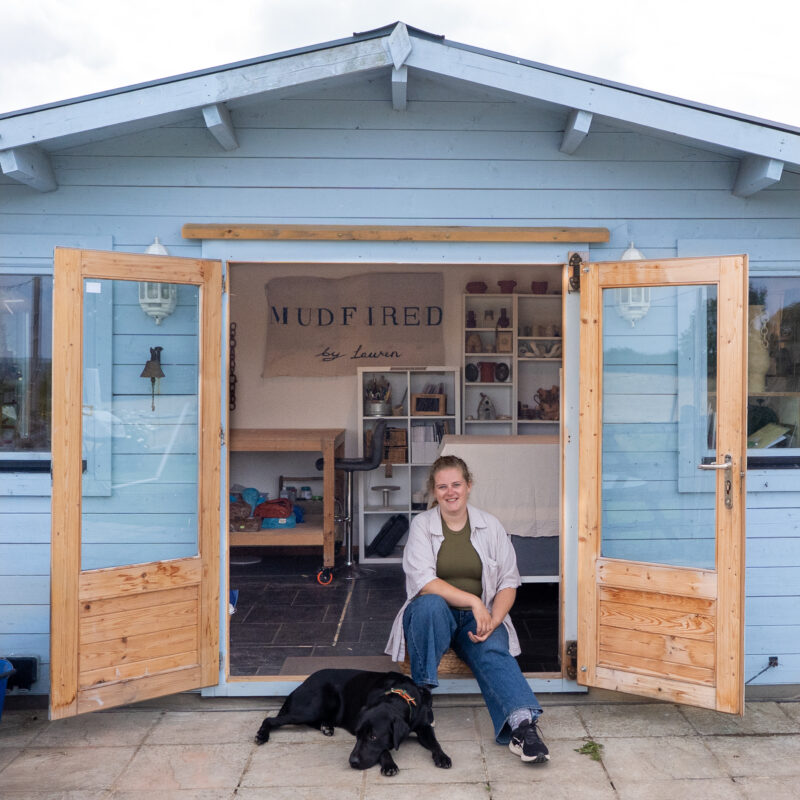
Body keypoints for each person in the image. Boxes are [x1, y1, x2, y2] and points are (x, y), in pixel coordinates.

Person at [386, 454, 549, 764]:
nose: (450, 492)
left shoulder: (491, 525)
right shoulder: (422, 525)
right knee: (431, 604)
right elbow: (424, 582)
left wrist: (493, 619)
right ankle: (422, 698)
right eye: (442, 486)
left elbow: (508, 582)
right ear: (434, 492)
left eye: (456, 484)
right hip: (434, 615)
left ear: (469, 486)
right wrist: (474, 601)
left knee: (492, 649)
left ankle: (522, 727)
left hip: (478, 617)